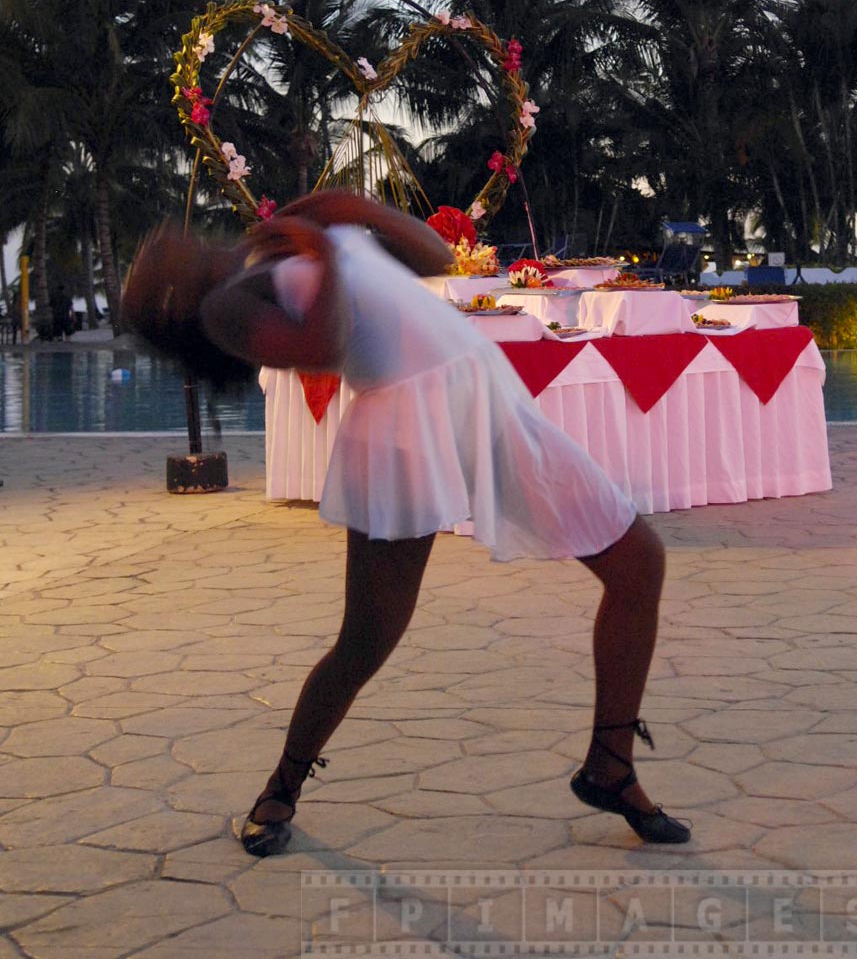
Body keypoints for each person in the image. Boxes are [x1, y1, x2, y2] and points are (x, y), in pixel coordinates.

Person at [122, 190, 689, 857]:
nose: (163, 235)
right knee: (366, 639)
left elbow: (434, 256)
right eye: (151, 257)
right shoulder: (226, 308)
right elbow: (321, 344)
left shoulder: (272, 245)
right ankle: (282, 785)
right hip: (401, 432)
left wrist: (353, 208)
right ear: (171, 299)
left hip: (483, 397)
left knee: (638, 563)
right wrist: (326, 248)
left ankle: (610, 766)